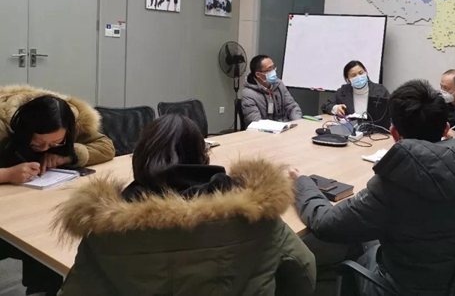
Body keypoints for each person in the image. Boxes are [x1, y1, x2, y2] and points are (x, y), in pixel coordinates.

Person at [55, 114, 316, 296]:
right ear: (203, 154)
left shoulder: (104, 227)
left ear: (140, 158)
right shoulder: (256, 211)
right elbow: (304, 268)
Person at [291, 79, 455, 296]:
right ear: (446, 129)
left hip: (405, 287)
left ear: (394, 133)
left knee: (357, 243)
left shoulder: (394, 185)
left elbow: (326, 224)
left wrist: (302, 184)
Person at [0, 86, 115, 296]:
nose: (46, 148)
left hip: (37, 203)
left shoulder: (68, 122)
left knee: (48, 234)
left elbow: (106, 146)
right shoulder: (3, 128)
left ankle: (41, 289)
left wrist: (67, 155)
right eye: (38, 143)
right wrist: (7, 174)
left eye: (55, 143)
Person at [241, 55, 302, 126]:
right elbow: (256, 122)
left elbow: (292, 106)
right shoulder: (248, 94)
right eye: (269, 69)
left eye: (273, 67)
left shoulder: (279, 84)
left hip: (285, 126)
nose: (273, 72)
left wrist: (297, 122)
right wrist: (278, 128)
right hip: (265, 130)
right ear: (258, 74)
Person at [322, 60, 390, 119]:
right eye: (353, 75)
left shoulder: (380, 90)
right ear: (348, 79)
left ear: (365, 72)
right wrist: (336, 108)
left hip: (375, 127)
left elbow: (392, 108)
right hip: (351, 127)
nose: (358, 77)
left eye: (361, 73)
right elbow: (325, 106)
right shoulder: (343, 91)